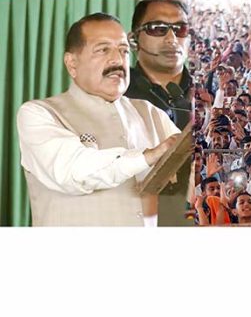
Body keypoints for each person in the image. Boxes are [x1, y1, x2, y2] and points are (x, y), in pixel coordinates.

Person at [17, 13, 180, 226]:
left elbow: (191, 174)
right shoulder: (39, 114)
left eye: (123, 50)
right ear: (72, 63)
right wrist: (147, 157)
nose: (117, 59)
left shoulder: (151, 113)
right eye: (103, 50)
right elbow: (73, 171)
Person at [125, 0, 193, 226]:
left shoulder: (208, 94)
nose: (172, 39)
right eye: (157, 29)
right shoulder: (114, 94)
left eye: (180, 29)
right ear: (134, 39)